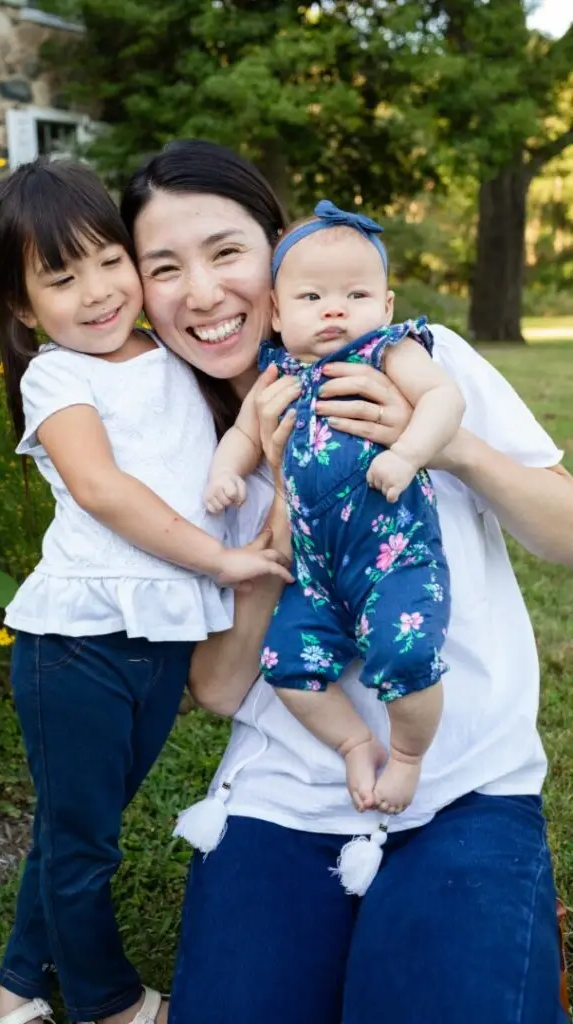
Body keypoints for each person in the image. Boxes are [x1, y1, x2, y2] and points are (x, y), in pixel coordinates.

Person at [120, 138, 573, 1024]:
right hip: (284, 792)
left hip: (461, 783)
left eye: (226, 252)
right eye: (163, 267)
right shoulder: (184, 441)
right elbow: (214, 689)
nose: (203, 293)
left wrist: (446, 447)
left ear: (281, 251)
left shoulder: (412, 353)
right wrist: (269, 538)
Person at [0, 160, 292, 1024]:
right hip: (76, 643)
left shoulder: (173, 355)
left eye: (110, 261)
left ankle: (13, 987)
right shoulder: (58, 377)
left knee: (82, 827)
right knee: (86, 843)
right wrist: (220, 562)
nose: (97, 292)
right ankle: (109, 1000)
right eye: (60, 278)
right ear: (20, 306)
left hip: (157, 647)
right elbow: (104, 489)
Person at [206, 199, 466, 820]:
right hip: (316, 572)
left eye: (355, 294)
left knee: (406, 655)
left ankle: (406, 756)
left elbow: (443, 400)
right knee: (287, 664)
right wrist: (225, 472)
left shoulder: (387, 352)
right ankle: (354, 741)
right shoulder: (279, 375)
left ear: (386, 306)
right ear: (275, 311)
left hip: (393, 556)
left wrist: (405, 455)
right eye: (311, 297)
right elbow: (244, 436)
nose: (334, 309)